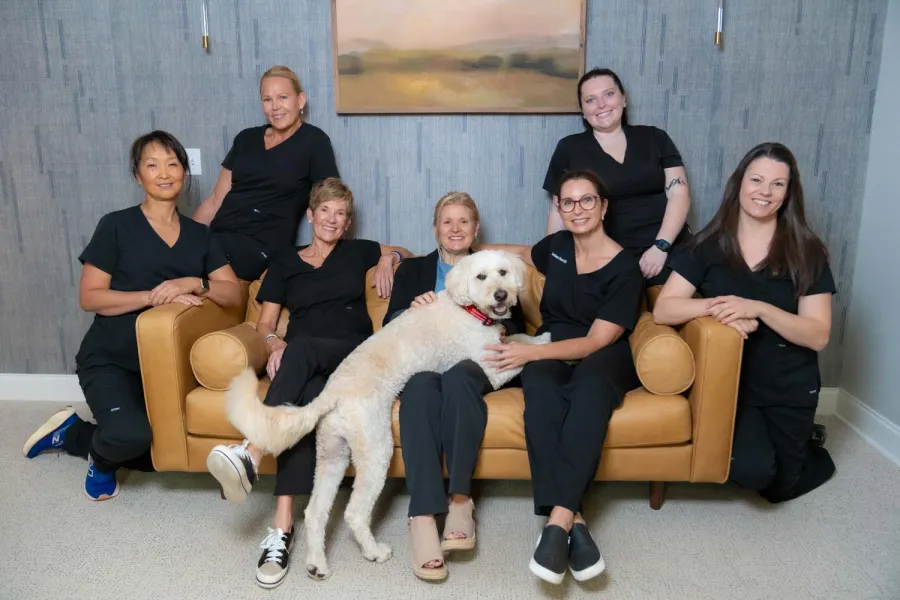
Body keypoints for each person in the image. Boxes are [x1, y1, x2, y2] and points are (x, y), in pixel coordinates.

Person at [206, 177, 411, 589]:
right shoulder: (284, 262)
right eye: (325, 211)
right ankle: (282, 529)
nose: (333, 220)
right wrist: (272, 340)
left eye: (341, 214)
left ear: (348, 221)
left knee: (298, 351)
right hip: (311, 362)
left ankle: (252, 451)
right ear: (310, 214)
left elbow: (404, 251)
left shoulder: (358, 251)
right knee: (302, 409)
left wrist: (390, 260)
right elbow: (265, 323)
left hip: (353, 354)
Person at [22, 131, 242, 501]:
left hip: (164, 368)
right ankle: (86, 447)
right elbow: (89, 297)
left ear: (184, 174)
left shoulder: (199, 235)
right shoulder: (115, 225)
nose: (164, 172)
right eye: (152, 165)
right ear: (138, 176)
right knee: (131, 437)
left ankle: (78, 431)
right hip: (110, 358)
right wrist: (151, 297)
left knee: (160, 456)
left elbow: (232, 292)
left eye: (173, 164)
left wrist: (193, 282)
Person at [482, 169, 645, 585]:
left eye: (587, 200)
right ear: (559, 208)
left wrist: (530, 350)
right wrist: (459, 250)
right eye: (567, 202)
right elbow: (515, 251)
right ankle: (577, 521)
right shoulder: (555, 247)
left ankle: (556, 522)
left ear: (604, 206)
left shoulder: (625, 267)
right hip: (553, 341)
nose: (577, 209)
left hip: (603, 351)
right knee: (539, 392)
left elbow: (594, 341)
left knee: (589, 394)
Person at [653, 142, 836, 504]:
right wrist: (717, 307)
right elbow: (664, 310)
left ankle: (808, 442)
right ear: (739, 183)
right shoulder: (706, 245)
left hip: (789, 385)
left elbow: (817, 335)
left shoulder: (807, 250)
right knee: (752, 471)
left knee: (780, 490)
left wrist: (759, 308)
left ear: (788, 193)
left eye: (777, 184)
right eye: (756, 180)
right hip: (731, 389)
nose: (764, 192)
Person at [383, 192, 527, 581]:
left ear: (476, 228)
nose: (456, 229)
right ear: (436, 229)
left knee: (460, 377)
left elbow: (517, 327)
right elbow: (389, 327)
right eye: (447, 221)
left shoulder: (493, 267)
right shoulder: (413, 270)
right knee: (419, 388)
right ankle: (423, 514)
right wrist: (409, 310)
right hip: (424, 360)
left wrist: (493, 316)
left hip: (474, 363)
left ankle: (461, 498)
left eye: (464, 221)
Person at [543, 68, 692, 285]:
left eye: (609, 94)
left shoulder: (654, 137)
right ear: (583, 111)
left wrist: (661, 246)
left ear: (623, 99)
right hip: (605, 256)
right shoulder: (570, 148)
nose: (601, 104)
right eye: (591, 99)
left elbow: (679, 194)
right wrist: (553, 261)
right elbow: (559, 210)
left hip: (668, 248)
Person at [194, 65, 340, 281]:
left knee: (191, 264)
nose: (275, 107)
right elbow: (215, 200)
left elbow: (332, 203)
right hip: (220, 236)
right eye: (267, 99)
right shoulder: (246, 139)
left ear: (300, 100)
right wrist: (186, 239)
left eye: (283, 97)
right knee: (165, 257)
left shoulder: (314, 142)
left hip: (261, 246)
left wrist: (322, 257)